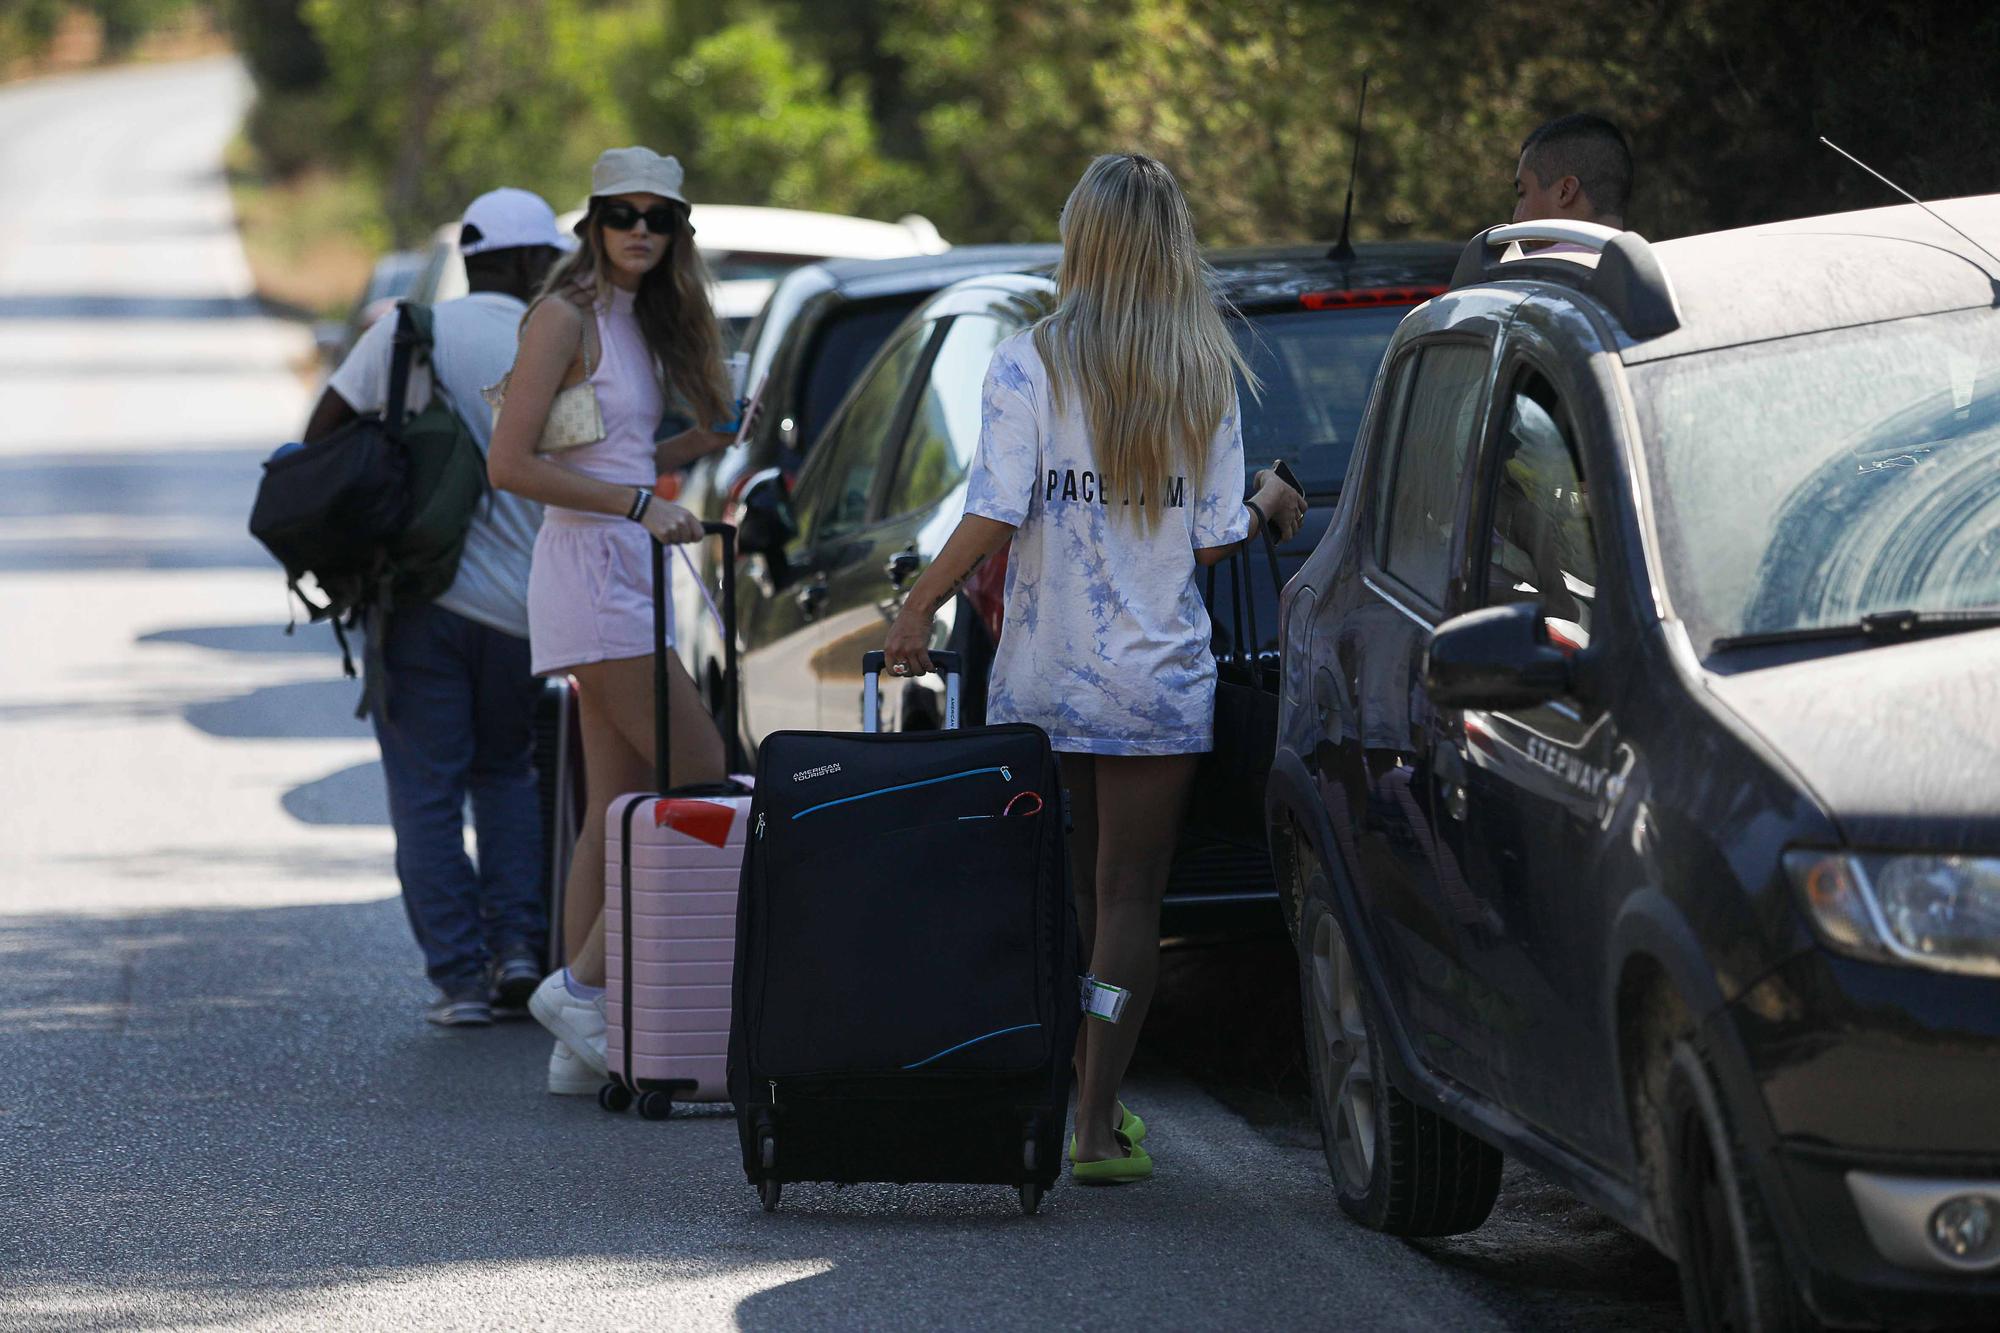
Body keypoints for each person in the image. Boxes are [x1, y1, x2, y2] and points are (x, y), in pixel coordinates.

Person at [881, 153, 1306, 1183]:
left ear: (1082, 243)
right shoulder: (1202, 373)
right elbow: (1209, 539)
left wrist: (918, 602)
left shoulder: (1026, 363)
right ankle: (1096, 1116)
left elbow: (992, 509)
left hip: (1046, 672)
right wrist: (1265, 507)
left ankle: (1050, 1086)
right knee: (1128, 903)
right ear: (1168, 247)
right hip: (1157, 678)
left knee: (1063, 895)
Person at [486, 147, 735, 1094]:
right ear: (592, 222)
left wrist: (696, 446)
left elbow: (613, 452)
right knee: (702, 768)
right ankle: (582, 985)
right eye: (622, 214)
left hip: (621, 563)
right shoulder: (564, 316)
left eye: (658, 217)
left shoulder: (635, 319)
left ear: (677, 232)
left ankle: (574, 1045)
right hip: (593, 568)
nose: (640, 230)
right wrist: (640, 506)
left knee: (617, 799)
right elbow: (510, 466)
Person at [303, 188, 569, 1029]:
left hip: (420, 601)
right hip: (527, 613)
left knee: (425, 791)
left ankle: (459, 979)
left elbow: (321, 437)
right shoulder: (553, 343)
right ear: (533, 262)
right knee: (507, 776)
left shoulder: (408, 332)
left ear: (472, 254)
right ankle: (520, 952)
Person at [1512, 113, 1632, 231]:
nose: (1516, 218)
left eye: (1522, 193)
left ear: (1565, 191)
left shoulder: (1519, 249)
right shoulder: (1646, 250)